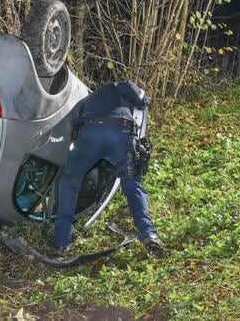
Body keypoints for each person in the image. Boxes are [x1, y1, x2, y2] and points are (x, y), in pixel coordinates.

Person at [51, 80, 163, 256]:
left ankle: (61, 243)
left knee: (69, 183)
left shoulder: (85, 103)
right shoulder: (116, 86)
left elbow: (72, 131)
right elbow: (142, 100)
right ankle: (149, 234)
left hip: (88, 136)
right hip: (119, 134)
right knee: (132, 185)